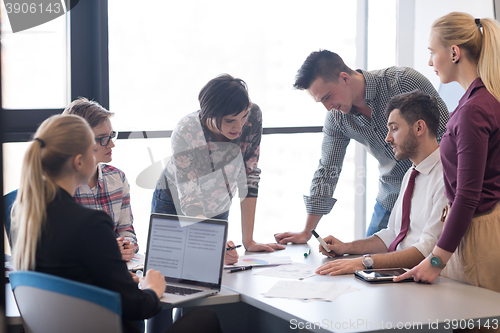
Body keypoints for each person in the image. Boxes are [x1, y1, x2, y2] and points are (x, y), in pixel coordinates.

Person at [10, 114, 222, 333]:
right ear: (79, 161)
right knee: (205, 318)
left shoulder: (24, 218)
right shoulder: (91, 223)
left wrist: (114, 278)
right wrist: (152, 289)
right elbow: (138, 308)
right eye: (93, 148)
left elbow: (69, 277)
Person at [274, 50, 449, 243]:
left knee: (427, 255)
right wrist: (307, 231)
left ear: (344, 78)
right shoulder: (337, 118)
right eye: (321, 102)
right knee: (366, 262)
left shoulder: (403, 82)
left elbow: (447, 135)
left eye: (327, 97)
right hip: (390, 195)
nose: (328, 107)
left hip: (432, 191)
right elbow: (327, 170)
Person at [396, 13, 500, 293]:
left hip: (478, 233)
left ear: (454, 52)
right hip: (478, 229)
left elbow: (467, 195)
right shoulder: (481, 101)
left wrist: (435, 260)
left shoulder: (473, 110)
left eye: (432, 52)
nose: (430, 62)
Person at [315, 91, 447, 275]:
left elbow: (426, 250)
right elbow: (392, 234)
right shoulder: (411, 173)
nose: (388, 138)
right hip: (399, 274)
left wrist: (365, 262)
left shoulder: (446, 177)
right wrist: (346, 247)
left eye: (394, 128)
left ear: (419, 128)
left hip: (425, 279)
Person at [152, 74, 285, 253]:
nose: (239, 127)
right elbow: (190, 198)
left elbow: (249, 176)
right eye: (230, 121)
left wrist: (248, 241)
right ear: (210, 115)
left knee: (215, 264)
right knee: (171, 267)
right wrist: (212, 241)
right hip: (175, 203)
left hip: (220, 201)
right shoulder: (186, 131)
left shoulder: (254, 115)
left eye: (243, 117)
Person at [63, 98, 138, 262]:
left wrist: (127, 247)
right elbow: (60, 248)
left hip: (114, 267)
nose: (111, 144)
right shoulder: (60, 186)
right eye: (103, 138)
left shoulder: (118, 178)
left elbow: (127, 231)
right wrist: (105, 249)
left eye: (111, 136)